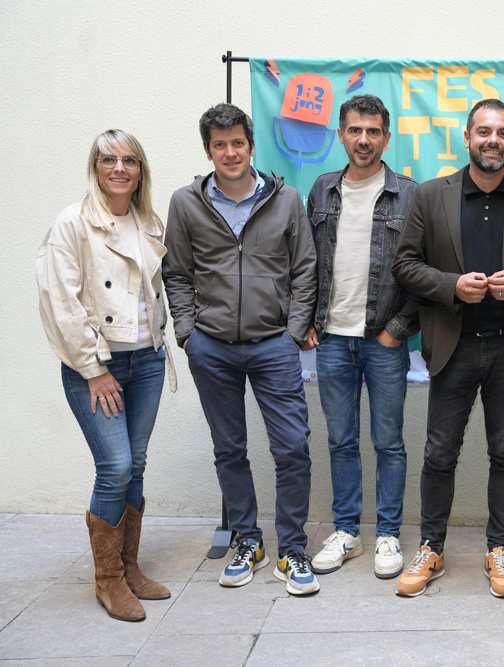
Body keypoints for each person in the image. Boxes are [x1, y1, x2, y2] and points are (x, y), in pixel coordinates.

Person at [392, 98, 504, 598]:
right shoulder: (431, 196)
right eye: (484, 132)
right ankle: (431, 547)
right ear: (467, 138)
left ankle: (499, 548)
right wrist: (451, 286)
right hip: (453, 346)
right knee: (439, 452)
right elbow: (405, 264)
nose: (493, 141)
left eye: (502, 133)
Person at [162, 103, 320, 596]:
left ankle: (292, 548)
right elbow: (177, 273)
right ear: (208, 151)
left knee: (292, 448)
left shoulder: (285, 199)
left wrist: (294, 331)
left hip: (274, 345)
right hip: (212, 347)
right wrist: (188, 333)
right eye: (220, 145)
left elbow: (305, 268)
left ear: (251, 146)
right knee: (229, 449)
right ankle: (248, 541)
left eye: (237, 143)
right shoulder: (185, 203)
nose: (230, 152)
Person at [37, 129, 173, 622]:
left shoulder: (148, 221)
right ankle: (108, 579)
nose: (119, 168)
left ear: (141, 170)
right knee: (114, 466)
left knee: (136, 463)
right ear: (95, 167)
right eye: (109, 159)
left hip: (147, 359)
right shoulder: (72, 223)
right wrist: (94, 370)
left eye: (129, 160)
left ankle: (129, 566)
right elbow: (60, 303)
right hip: (97, 365)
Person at [305, 95, 418, 579]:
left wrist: (398, 330)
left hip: (383, 340)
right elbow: (306, 260)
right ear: (341, 134)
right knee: (341, 440)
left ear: (386, 138)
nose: (364, 140)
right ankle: (347, 531)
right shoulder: (322, 190)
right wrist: (307, 319)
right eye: (355, 130)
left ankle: (388, 533)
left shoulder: (409, 195)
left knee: (389, 442)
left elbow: (424, 271)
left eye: (373, 132)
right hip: (332, 339)